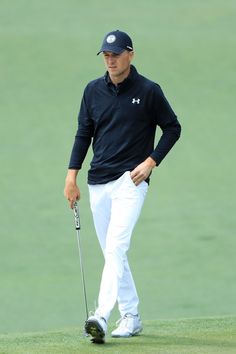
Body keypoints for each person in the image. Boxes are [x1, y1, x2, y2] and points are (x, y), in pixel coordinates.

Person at [64, 29, 181, 343]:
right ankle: (131, 316)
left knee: (116, 247)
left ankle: (100, 315)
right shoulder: (92, 91)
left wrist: (150, 161)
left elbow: (172, 127)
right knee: (113, 254)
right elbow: (82, 134)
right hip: (97, 183)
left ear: (130, 54)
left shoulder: (149, 90)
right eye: (106, 55)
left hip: (130, 181)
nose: (110, 60)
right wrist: (71, 176)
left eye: (116, 54)